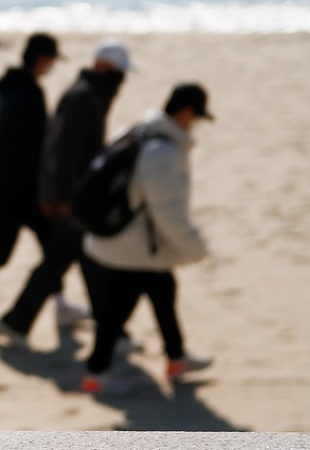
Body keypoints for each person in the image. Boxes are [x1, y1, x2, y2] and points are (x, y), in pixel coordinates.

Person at [0, 39, 132, 345]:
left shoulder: (71, 94)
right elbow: (56, 151)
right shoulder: (77, 98)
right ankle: (110, 332)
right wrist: (55, 198)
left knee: (60, 260)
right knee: (70, 261)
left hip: (35, 193)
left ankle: (19, 321)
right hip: (47, 197)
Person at [80, 85, 215, 393]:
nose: (193, 125)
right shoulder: (163, 153)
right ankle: (96, 374)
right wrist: (197, 247)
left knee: (163, 289)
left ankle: (177, 358)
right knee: (117, 310)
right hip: (135, 246)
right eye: (195, 118)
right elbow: (168, 212)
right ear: (185, 112)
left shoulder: (136, 131)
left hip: (121, 239)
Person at [0, 33, 60, 333]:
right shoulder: (29, 93)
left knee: (50, 243)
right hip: (16, 189)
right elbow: (36, 149)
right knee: (3, 247)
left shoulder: (7, 85)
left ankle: (60, 303)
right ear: (43, 59)